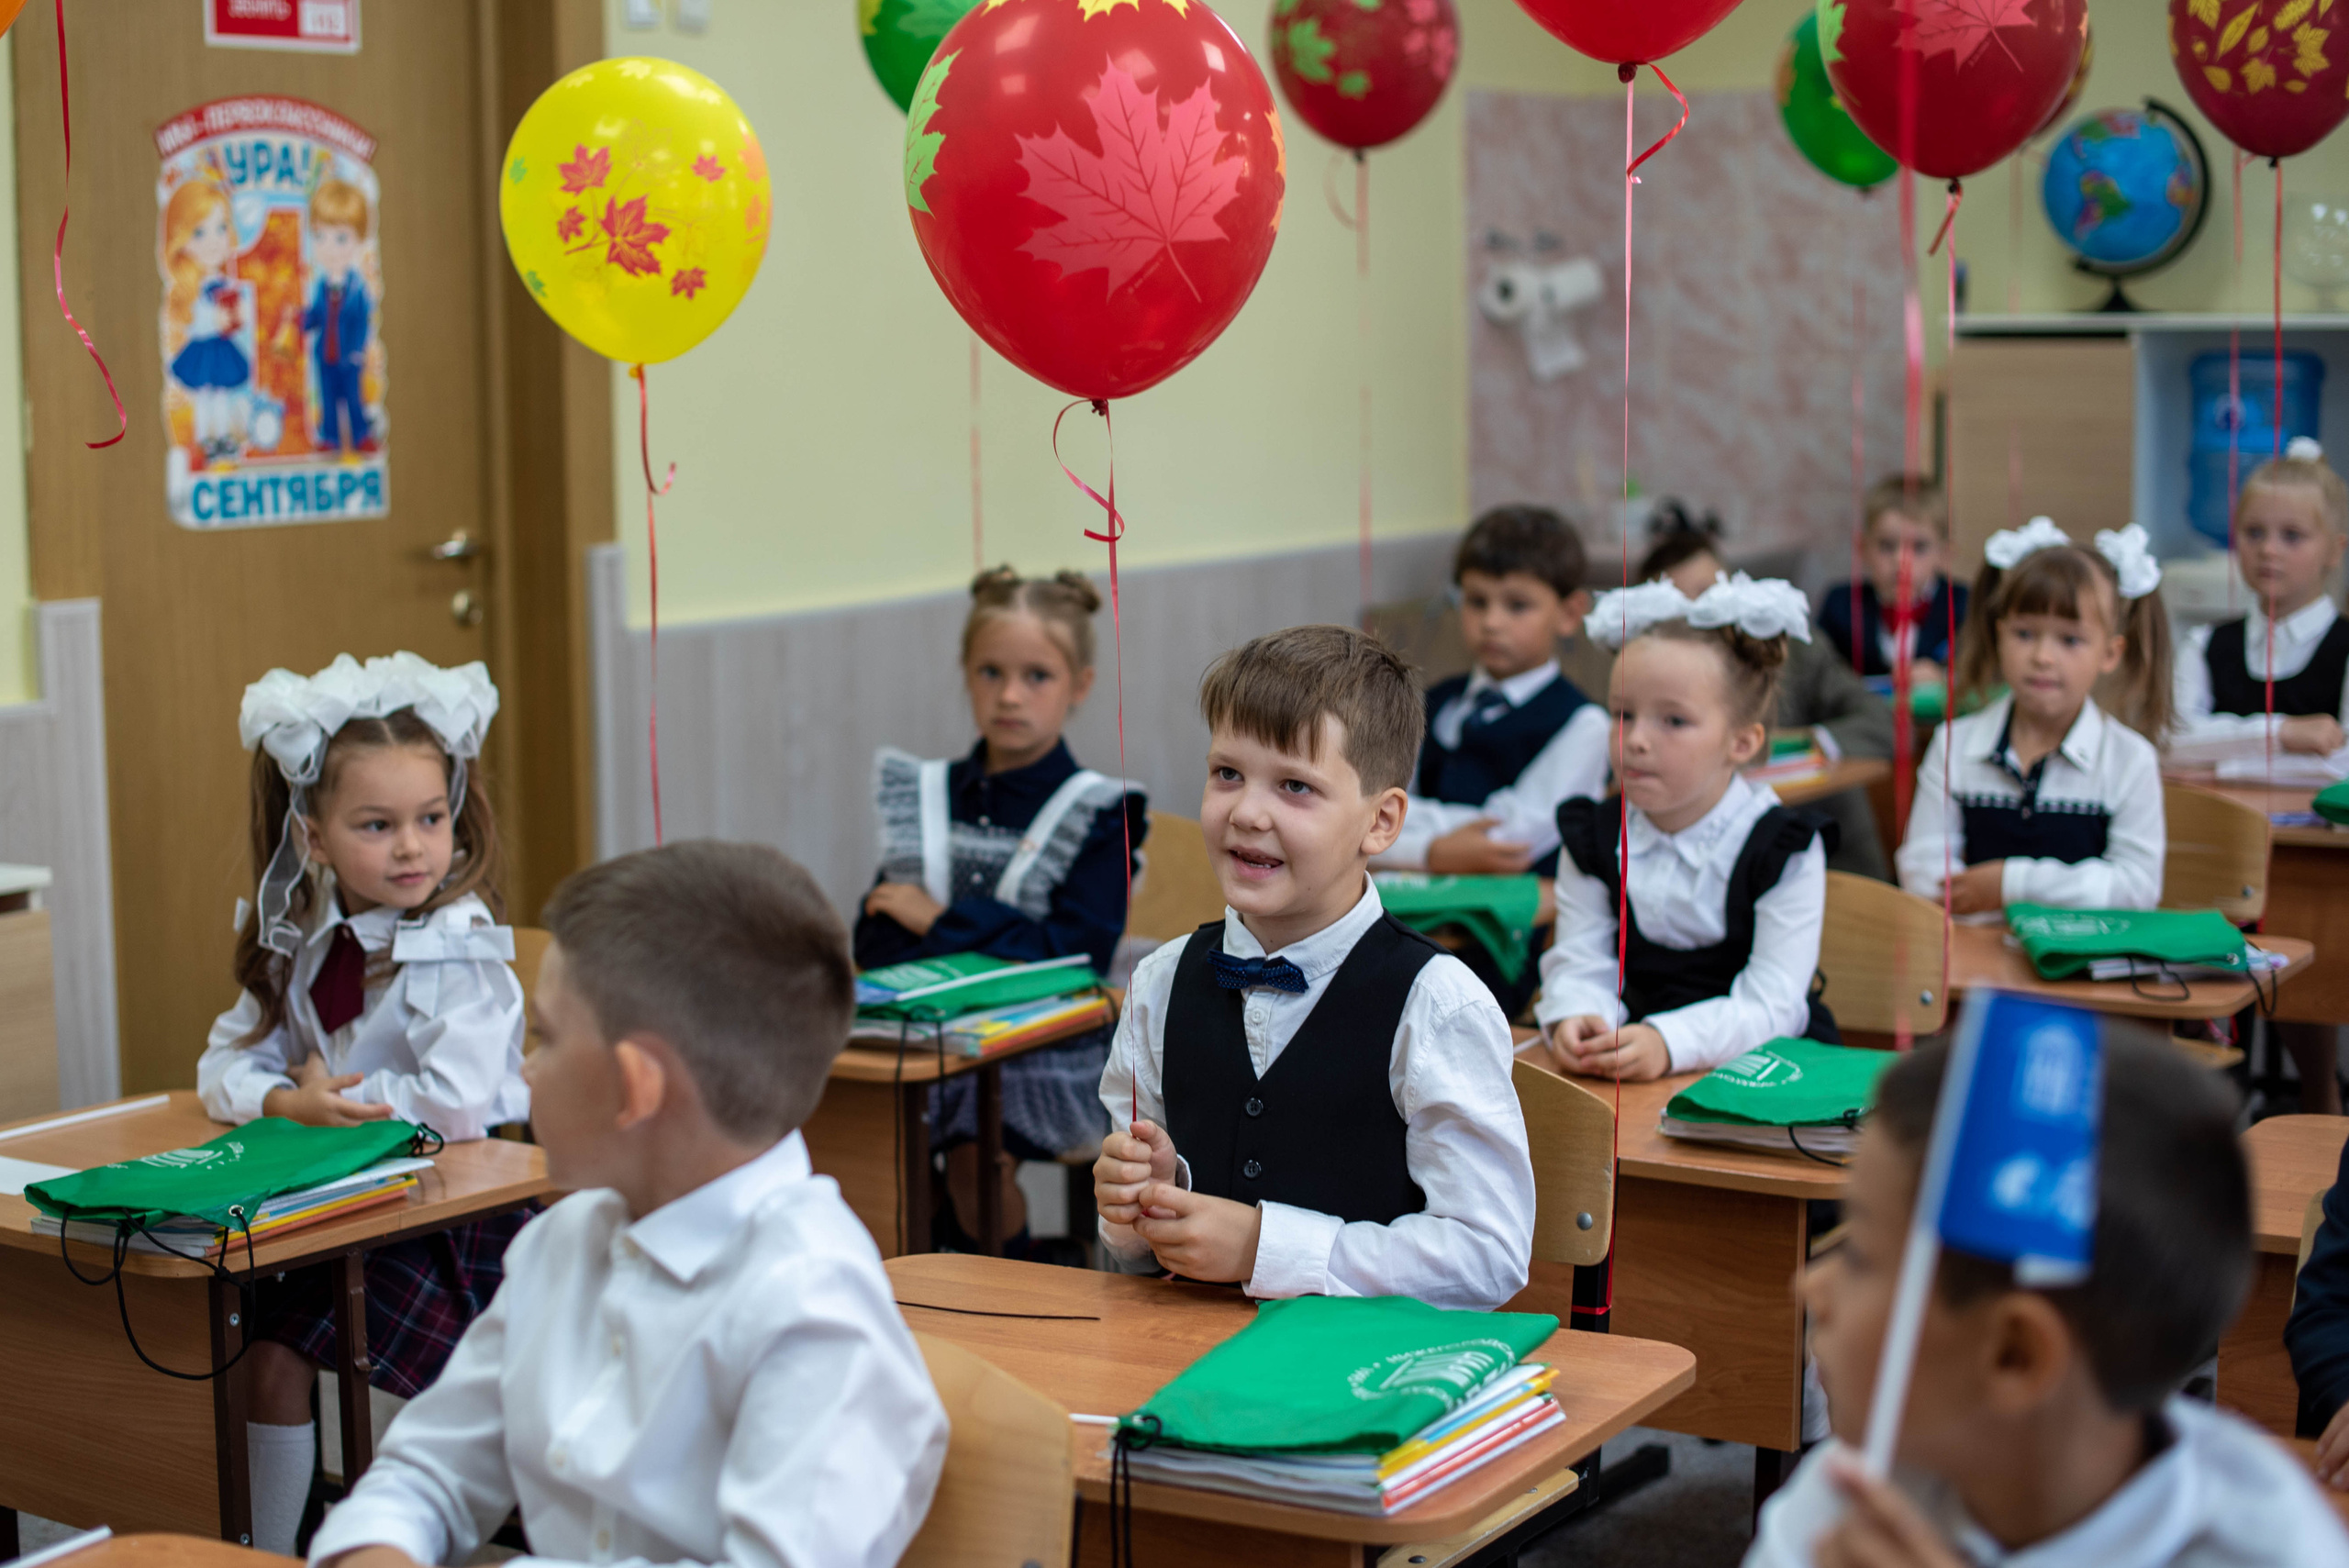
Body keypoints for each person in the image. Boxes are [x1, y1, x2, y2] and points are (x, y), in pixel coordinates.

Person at [307, 841, 949, 1568]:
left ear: (636, 1086)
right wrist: (379, 1547)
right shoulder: (566, 1239)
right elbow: (430, 1471)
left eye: (546, 1035)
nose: (525, 1065)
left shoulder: (812, 1306)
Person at [1750, 1031, 2349, 1567]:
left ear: (2015, 1355)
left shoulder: (2272, 1546)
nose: (1810, 1285)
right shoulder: (1864, 1481)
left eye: (1861, 1258)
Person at [1092, 625, 1534, 1309]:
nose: (1247, 811)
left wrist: (1264, 1246)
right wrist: (1137, 1209)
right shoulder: (1159, 982)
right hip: (1180, 1368)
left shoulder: (1436, 1004)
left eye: (1295, 786)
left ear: (1381, 823)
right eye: (1227, 773)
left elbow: (1488, 1255)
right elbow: (1131, 1258)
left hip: (1366, 1383)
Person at [199, 652, 528, 1556]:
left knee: (271, 1353)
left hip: (448, 1217)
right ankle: (268, 1544)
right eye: (377, 825)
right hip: (337, 1207)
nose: (414, 846)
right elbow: (221, 1060)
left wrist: (331, 1098)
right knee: (236, 1341)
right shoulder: (306, 942)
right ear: (312, 837)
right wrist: (281, 1097)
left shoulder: (457, 943)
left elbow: (457, 1103)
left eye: (431, 818)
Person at [857, 566, 1146, 1255]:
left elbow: (1077, 952)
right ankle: (924, 1276)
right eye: (991, 672)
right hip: (928, 1035)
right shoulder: (928, 793)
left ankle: (1003, 1280)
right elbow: (873, 935)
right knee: (869, 1150)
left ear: (1079, 684)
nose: (1010, 694)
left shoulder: (1103, 810)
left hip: (1046, 1047)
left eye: (1037, 676)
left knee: (969, 1148)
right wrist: (995, 939)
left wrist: (940, 922)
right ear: (966, 673)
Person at [1536, 573, 1837, 1083]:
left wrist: (1668, 1043)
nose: (1636, 741)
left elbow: (1773, 1004)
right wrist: (1577, 1015)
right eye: (1622, 714)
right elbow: (1580, 958)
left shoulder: (1784, 850)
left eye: (1673, 721)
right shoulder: (1593, 836)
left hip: (1761, 1067)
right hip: (1628, 1063)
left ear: (1741, 742)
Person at [1376, 504, 1608, 1016]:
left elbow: (1508, 840)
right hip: (1408, 907)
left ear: (1569, 614)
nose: (1492, 622)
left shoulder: (1584, 724)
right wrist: (1435, 852)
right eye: (1476, 601)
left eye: (1517, 605)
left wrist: (1405, 838)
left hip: (1503, 936)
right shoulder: (1431, 699)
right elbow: (1375, 809)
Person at [1898, 518, 2169, 918]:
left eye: (2070, 640)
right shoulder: (1954, 743)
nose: (2042, 657)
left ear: (2110, 654)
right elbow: (1922, 872)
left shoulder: (2131, 759)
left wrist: (2010, 883)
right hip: (1973, 960)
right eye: (2024, 634)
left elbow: (2135, 889)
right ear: (1999, 634)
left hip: (2085, 972)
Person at [1642, 523, 1896, 880]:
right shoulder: (1647, 681)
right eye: (1686, 607)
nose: (1706, 613)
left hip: (1828, 855)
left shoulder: (1796, 651)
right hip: (1707, 869)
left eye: (1712, 593)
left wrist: (1806, 745)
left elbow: (1879, 722)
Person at [1819, 477, 1969, 684]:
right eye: (1887, 546)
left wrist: (1944, 677)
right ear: (1863, 549)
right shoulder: (1840, 605)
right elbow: (1819, 675)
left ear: (1944, 554)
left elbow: (1983, 673)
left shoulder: (1965, 605)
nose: (1901, 562)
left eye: (1919, 547)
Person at [161, 175, 252, 464]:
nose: (214, 241)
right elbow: (192, 321)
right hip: (203, 349)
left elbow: (236, 312)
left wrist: (239, 315)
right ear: (181, 238)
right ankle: (206, 438)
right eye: (200, 233)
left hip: (221, 348)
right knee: (204, 396)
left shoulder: (222, 282)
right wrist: (214, 320)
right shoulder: (190, 288)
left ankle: (223, 437)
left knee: (222, 395)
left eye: (221, 228)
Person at [302, 178, 376, 454]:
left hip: (349, 356)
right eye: (321, 237)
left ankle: (361, 435)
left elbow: (361, 321)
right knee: (329, 398)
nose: (330, 248)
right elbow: (318, 316)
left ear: (359, 239)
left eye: (341, 238)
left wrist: (357, 350)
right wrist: (302, 320)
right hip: (326, 355)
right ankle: (329, 437)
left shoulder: (357, 289)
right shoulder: (322, 286)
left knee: (353, 399)